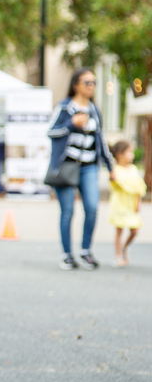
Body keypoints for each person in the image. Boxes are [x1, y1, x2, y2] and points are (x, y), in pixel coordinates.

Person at [48, 68, 114, 271]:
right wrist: (71, 124)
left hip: (88, 167)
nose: (91, 86)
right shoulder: (65, 107)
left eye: (94, 82)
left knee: (92, 208)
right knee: (67, 211)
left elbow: (101, 139)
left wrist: (111, 166)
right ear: (76, 85)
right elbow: (51, 131)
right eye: (87, 82)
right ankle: (67, 254)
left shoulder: (94, 109)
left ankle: (86, 251)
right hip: (67, 166)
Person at [108, 141, 147, 267]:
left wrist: (138, 202)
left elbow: (139, 187)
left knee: (134, 230)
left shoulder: (133, 169)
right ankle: (118, 255)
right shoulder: (115, 170)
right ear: (120, 155)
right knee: (119, 230)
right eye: (129, 152)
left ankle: (125, 247)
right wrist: (112, 178)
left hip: (131, 205)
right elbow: (114, 183)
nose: (132, 155)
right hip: (120, 205)